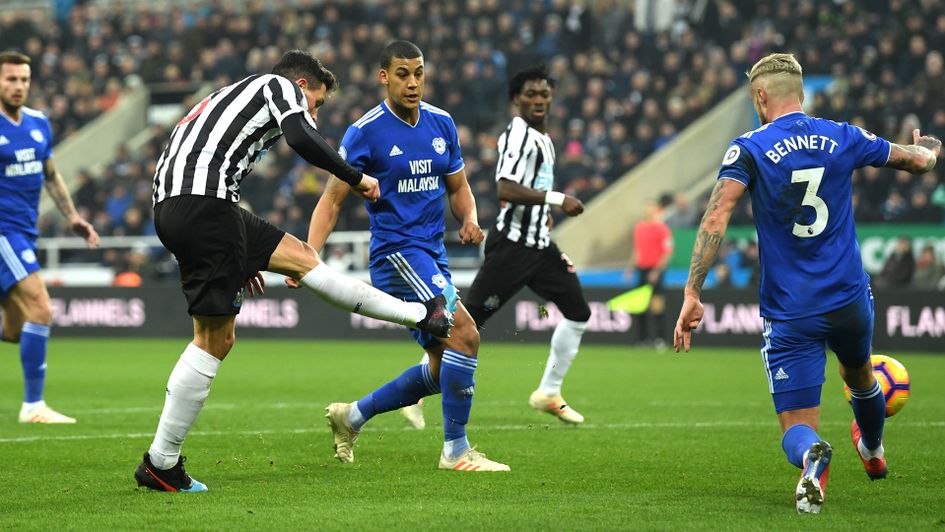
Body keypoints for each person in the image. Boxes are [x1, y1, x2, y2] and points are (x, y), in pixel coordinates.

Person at [134, 49, 455, 493]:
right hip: (205, 206)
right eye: (318, 103)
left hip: (190, 206)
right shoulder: (279, 86)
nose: (316, 114)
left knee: (303, 257)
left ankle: (421, 314)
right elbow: (301, 137)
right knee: (214, 339)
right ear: (302, 86)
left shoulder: (228, 95)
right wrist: (356, 178)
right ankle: (160, 463)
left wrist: (240, 250)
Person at [673, 53, 940, 514]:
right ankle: (873, 450)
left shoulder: (749, 148)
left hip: (791, 306)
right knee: (860, 376)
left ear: (760, 97)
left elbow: (717, 216)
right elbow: (914, 162)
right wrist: (929, 151)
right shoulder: (843, 134)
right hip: (849, 296)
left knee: (797, 423)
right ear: (801, 93)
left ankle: (813, 456)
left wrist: (693, 291)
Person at [307, 40, 509, 472]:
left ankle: (352, 415)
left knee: (443, 366)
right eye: (402, 74)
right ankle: (456, 451)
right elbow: (332, 199)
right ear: (384, 77)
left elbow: (458, 188)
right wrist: (309, 255)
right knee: (466, 335)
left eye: (418, 73)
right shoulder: (365, 131)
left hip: (432, 255)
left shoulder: (442, 123)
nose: (413, 82)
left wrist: (470, 218)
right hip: (397, 255)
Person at [461, 64, 591, 424]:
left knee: (579, 313)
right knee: (467, 324)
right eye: (531, 94)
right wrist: (557, 199)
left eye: (545, 94)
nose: (539, 100)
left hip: (539, 244)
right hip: (514, 247)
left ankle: (549, 392)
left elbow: (524, 189)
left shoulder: (542, 138)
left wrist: (543, 214)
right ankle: (419, 385)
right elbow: (505, 187)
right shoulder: (518, 134)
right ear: (516, 99)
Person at [0, 51, 100, 424]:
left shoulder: (39, 124)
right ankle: (33, 406)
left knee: (13, 329)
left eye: (24, 79)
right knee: (41, 308)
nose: (18, 86)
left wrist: (73, 217)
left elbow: (52, 176)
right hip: (3, 233)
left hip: (25, 231)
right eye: (10, 79)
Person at [625, 198, 673, 347]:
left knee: (657, 306)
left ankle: (660, 339)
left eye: (651, 207)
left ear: (656, 209)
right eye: (646, 207)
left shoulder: (662, 229)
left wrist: (657, 271)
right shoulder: (639, 228)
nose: (648, 210)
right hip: (642, 269)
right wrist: (631, 268)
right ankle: (643, 339)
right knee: (640, 306)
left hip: (655, 270)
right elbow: (637, 250)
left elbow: (667, 252)